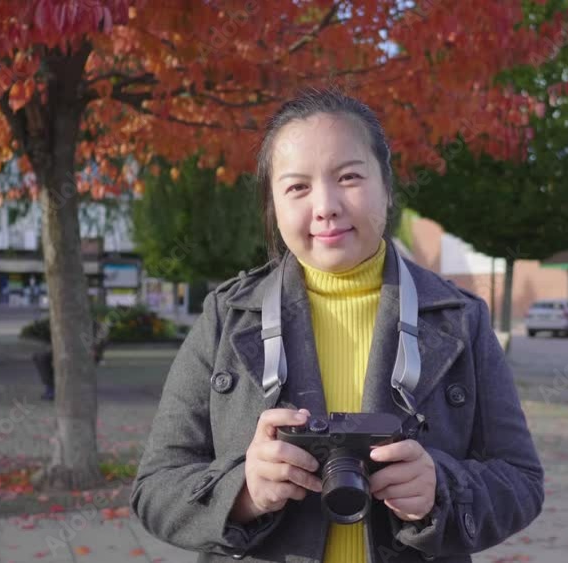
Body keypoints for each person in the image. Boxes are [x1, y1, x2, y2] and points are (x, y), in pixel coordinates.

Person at [130, 88, 544, 563]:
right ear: (273, 204)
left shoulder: (460, 318)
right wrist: (244, 493)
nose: (325, 206)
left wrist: (440, 488)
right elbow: (155, 488)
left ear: (386, 187)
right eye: (297, 187)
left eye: (349, 177)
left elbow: (522, 482)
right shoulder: (226, 317)